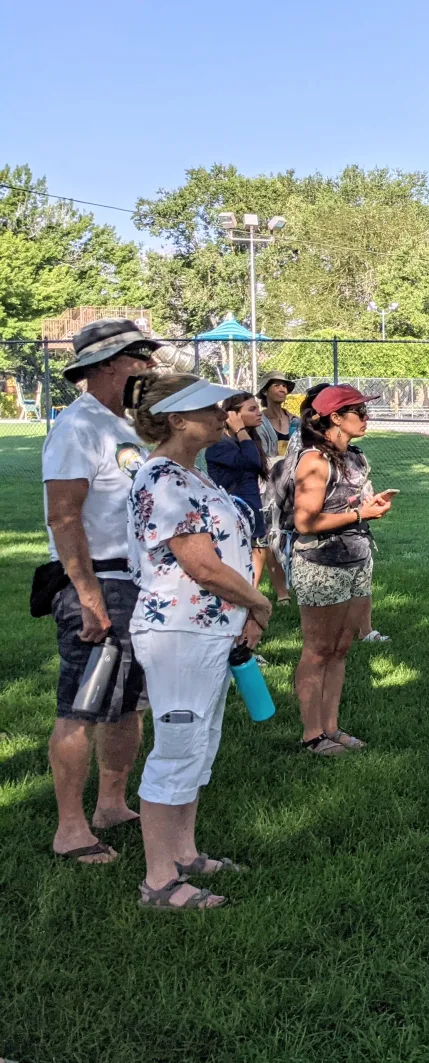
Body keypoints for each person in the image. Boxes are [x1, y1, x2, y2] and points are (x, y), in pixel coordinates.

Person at [125, 372, 271, 910]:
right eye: (210, 407)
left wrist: (246, 612)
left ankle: (184, 852)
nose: (222, 412)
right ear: (177, 419)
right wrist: (259, 602)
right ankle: (159, 881)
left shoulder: (193, 475)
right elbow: (201, 566)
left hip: (209, 630)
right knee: (177, 748)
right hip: (179, 633)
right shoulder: (163, 478)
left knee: (199, 747)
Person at [41, 319, 161, 864]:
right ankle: (70, 829)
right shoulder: (78, 427)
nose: (150, 367)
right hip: (99, 582)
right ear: (109, 364)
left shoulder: (130, 427)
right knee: (81, 709)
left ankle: (111, 803)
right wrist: (87, 595)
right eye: (142, 356)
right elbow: (64, 517)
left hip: (139, 583)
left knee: (128, 705)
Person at [291, 384, 395, 754]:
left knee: (341, 648)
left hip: (355, 557)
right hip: (321, 563)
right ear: (335, 418)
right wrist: (359, 514)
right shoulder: (314, 461)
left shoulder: (355, 457)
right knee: (318, 650)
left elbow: (353, 504)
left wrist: (372, 507)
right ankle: (311, 735)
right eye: (359, 412)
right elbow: (304, 522)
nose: (367, 418)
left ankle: (331, 728)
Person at [207, 394, 269, 585]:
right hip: (232, 516)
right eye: (252, 409)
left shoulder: (247, 440)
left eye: (258, 408)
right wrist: (241, 430)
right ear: (233, 415)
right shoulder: (220, 445)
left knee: (257, 550)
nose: (259, 413)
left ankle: (253, 592)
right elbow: (251, 462)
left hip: (252, 511)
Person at [253, 372, 298, 603]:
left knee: (289, 532)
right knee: (269, 535)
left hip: (291, 482)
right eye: (277, 385)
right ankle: (281, 593)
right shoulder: (258, 421)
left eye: (285, 386)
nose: (282, 389)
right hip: (265, 483)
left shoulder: (294, 421)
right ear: (265, 391)